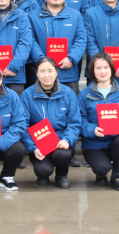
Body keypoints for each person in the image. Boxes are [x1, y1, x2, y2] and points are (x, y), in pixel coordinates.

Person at [20, 57, 81, 189]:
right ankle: (43, 175)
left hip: (60, 140)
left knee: (63, 154)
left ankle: (61, 175)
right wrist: (33, 147)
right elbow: (23, 125)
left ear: (56, 72)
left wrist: (67, 139)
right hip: (39, 142)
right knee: (43, 171)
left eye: (50, 70)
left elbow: (75, 122)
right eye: (42, 71)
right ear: (36, 73)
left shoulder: (68, 93)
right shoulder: (27, 95)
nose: (46, 75)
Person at [78, 54, 119, 191]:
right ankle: (101, 174)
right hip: (94, 144)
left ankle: (116, 175)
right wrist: (93, 129)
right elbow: (80, 120)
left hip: (115, 141)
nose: (102, 71)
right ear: (92, 71)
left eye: (106, 67)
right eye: (98, 68)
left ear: (112, 69)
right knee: (102, 168)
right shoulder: (84, 94)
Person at [28, 0, 88, 93]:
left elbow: (81, 39)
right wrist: (42, 61)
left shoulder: (75, 15)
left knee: (71, 102)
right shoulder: (33, 16)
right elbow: (30, 40)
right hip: (43, 74)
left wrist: (71, 58)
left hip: (68, 73)